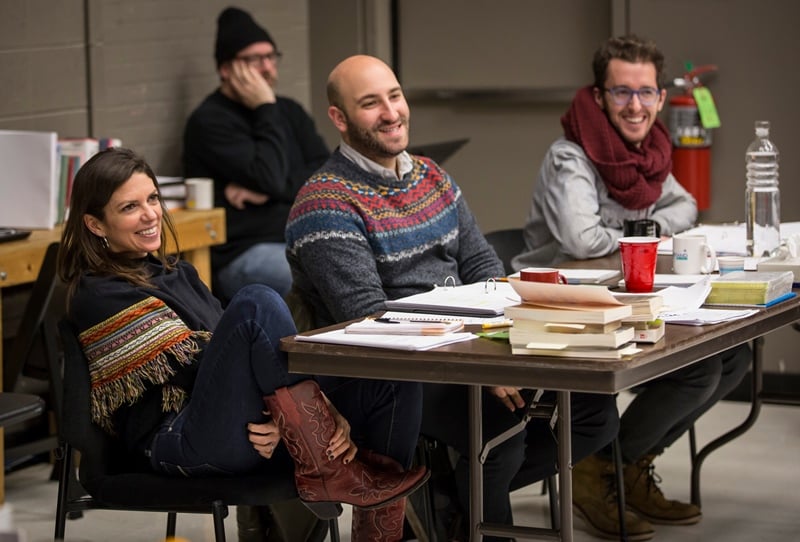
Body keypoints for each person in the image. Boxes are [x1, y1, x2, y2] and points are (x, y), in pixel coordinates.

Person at [284, 54, 619, 542]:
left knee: (593, 411)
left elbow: (483, 266)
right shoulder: (325, 203)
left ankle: (451, 497)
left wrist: (502, 340)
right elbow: (370, 318)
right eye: (370, 103)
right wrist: (479, 357)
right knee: (502, 425)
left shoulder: (431, 175)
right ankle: (476, 517)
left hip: (468, 343)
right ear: (339, 118)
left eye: (394, 96)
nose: (391, 112)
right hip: (396, 371)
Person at [56, 147, 428, 539]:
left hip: (244, 424)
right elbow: (195, 371)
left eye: (152, 198)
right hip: (177, 442)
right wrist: (292, 414)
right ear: (95, 224)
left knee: (394, 374)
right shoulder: (96, 293)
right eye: (129, 207)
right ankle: (325, 466)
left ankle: (381, 533)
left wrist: (282, 416)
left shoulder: (176, 272)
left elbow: (238, 362)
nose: (150, 214)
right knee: (256, 303)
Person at [513, 35, 751, 540]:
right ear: (599, 96)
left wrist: (633, 229)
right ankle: (598, 468)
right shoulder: (571, 155)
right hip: (566, 302)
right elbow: (583, 241)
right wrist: (646, 230)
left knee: (735, 357)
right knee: (701, 367)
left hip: (629, 295)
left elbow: (686, 206)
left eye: (646, 93)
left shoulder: (649, 151)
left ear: (661, 98)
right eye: (621, 93)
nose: (636, 105)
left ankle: (624, 466)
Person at [183, 6, 329, 301]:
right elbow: (269, 176)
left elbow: (325, 175)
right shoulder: (210, 121)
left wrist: (270, 192)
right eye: (254, 59)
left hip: (297, 238)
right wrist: (265, 107)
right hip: (242, 253)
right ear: (226, 69)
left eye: (271, 56)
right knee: (318, 278)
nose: (267, 67)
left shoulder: (289, 111)